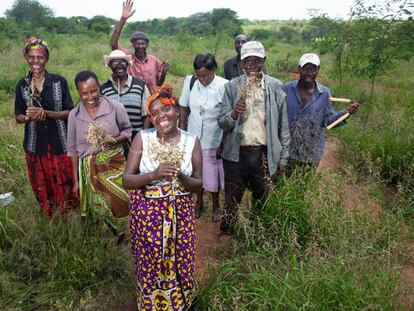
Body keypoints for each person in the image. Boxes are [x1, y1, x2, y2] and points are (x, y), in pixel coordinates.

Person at [123, 85, 202, 310]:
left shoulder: (191, 141)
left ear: (176, 110)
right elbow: (127, 180)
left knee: (180, 260)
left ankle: (181, 303)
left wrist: (182, 176)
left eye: (165, 109)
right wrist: (154, 174)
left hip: (181, 215)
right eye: (154, 113)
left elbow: (198, 184)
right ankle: (151, 305)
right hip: (148, 218)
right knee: (150, 262)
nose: (161, 116)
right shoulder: (142, 139)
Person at [218, 41, 290, 234]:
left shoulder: (275, 86)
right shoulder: (232, 87)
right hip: (236, 154)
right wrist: (234, 114)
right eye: (247, 61)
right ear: (241, 64)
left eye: (256, 61)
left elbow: (284, 126)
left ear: (263, 61)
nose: (251, 66)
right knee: (232, 197)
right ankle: (227, 234)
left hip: (263, 154)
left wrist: (283, 158)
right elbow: (222, 122)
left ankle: (257, 232)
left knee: (262, 196)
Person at [14, 37, 76, 217]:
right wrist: (27, 117)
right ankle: (50, 215)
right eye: (31, 57)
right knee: (42, 184)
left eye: (40, 58)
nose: (36, 62)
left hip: (60, 143)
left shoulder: (58, 82)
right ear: (26, 57)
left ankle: (68, 215)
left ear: (46, 58)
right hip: (35, 145)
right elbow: (18, 116)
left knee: (66, 181)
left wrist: (47, 113)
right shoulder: (22, 84)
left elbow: (70, 112)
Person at [67, 71, 132, 234]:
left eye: (93, 91)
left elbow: (127, 131)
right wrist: (76, 181)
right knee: (98, 207)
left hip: (114, 165)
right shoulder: (74, 115)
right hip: (90, 172)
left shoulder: (115, 107)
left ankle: (123, 233)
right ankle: (106, 236)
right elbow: (73, 150)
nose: (90, 96)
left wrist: (112, 140)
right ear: (79, 93)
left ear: (99, 88)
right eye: (84, 93)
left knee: (120, 202)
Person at [284, 53, 360, 168]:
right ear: (299, 69)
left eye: (313, 69)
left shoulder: (324, 94)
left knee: (305, 184)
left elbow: (327, 121)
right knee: (280, 183)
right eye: (306, 69)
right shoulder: (286, 89)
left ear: (318, 70)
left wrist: (347, 113)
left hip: (310, 152)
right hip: (286, 151)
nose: (309, 73)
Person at [179, 53, 228, 222]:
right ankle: (199, 202)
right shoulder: (190, 81)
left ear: (214, 70)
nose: (202, 79)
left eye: (205, 76)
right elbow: (183, 107)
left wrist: (223, 143)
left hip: (214, 138)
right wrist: (182, 131)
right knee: (196, 174)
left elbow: (227, 116)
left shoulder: (224, 85)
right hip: (193, 139)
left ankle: (215, 205)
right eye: (199, 75)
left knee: (213, 174)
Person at [110, 0, 169, 94]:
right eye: (137, 43)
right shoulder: (127, 58)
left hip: (150, 101)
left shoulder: (154, 60)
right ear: (133, 44)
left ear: (147, 45)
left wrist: (164, 73)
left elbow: (158, 83)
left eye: (143, 43)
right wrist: (123, 19)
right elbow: (113, 43)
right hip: (132, 98)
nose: (140, 46)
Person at [100, 49, 151, 139]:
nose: (119, 66)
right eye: (115, 63)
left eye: (123, 62)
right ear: (109, 66)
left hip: (137, 139)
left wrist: (144, 137)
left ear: (127, 64)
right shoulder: (104, 90)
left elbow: (146, 114)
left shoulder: (140, 86)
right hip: (114, 142)